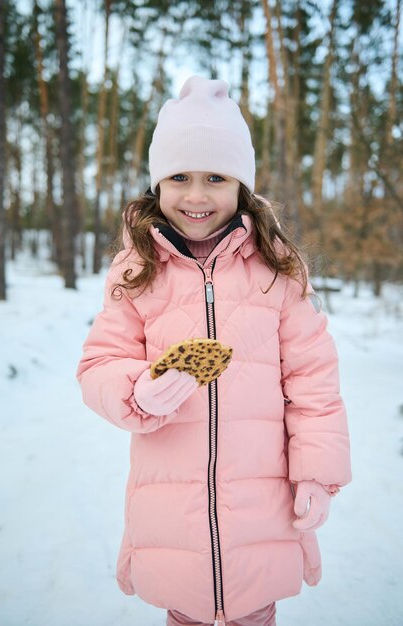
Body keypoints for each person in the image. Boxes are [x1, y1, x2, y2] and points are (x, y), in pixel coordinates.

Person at [76, 75, 352, 626]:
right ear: (157, 185)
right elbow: (97, 365)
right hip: (172, 519)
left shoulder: (276, 272)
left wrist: (317, 474)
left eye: (215, 178)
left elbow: (314, 383)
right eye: (178, 177)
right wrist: (137, 391)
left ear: (240, 186)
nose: (196, 195)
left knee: (254, 613)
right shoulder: (136, 271)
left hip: (261, 512)